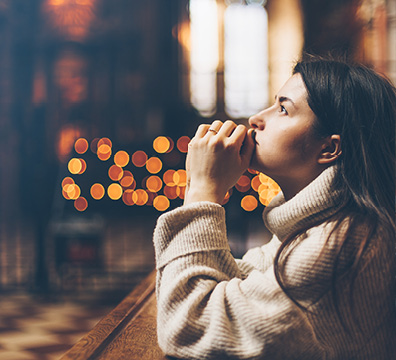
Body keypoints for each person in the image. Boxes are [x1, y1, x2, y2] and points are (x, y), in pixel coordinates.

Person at [152, 57, 396, 359]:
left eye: (283, 109)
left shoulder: (342, 242)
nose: (256, 118)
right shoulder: (321, 223)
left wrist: (203, 191)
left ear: (329, 149)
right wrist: (199, 185)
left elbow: (189, 325)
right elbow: (239, 285)